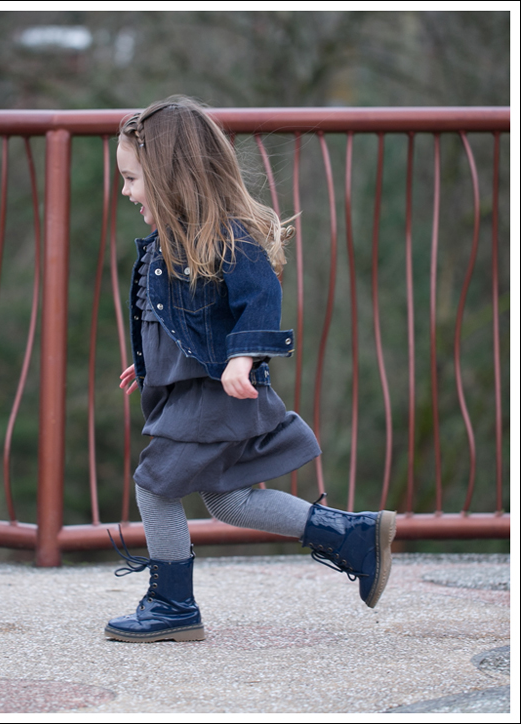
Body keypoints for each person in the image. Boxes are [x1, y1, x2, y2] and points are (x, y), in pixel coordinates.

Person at [106, 96, 396, 643]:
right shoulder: (168, 244)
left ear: (172, 177)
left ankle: (172, 605)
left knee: (156, 486)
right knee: (229, 501)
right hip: (194, 391)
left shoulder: (228, 236)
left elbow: (259, 298)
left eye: (132, 179)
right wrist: (149, 362)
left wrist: (244, 356)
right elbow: (183, 324)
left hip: (214, 395)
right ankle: (351, 535)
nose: (125, 192)